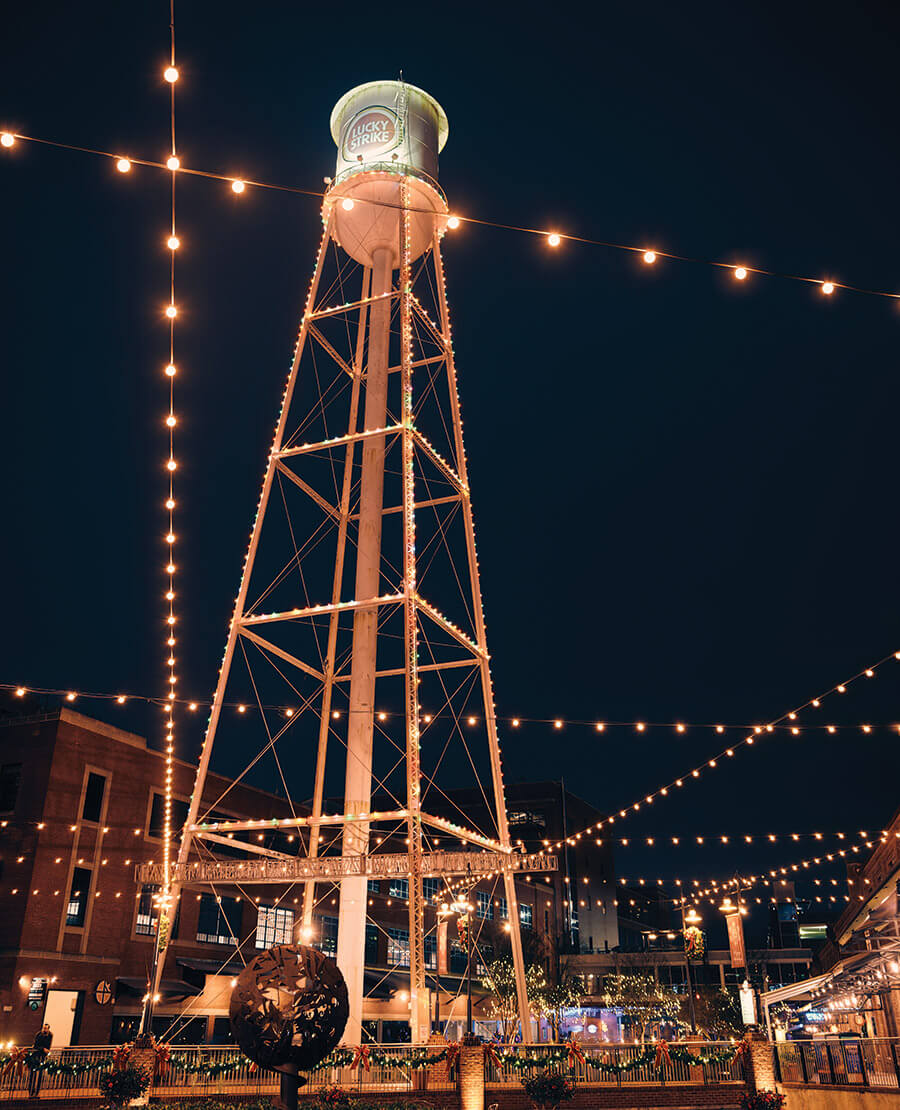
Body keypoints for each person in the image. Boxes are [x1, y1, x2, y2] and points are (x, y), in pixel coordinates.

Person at [28, 1024, 52, 1098]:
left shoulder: (50, 1035)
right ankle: (31, 1092)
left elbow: (48, 1045)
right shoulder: (38, 1035)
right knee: (33, 1074)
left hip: (42, 1057)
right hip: (36, 1056)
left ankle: (37, 1092)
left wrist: (46, 1051)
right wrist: (43, 1049)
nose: (45, 1030)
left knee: (40, 1075)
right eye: (44, 1028)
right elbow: (35, 1045)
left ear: (48, 1029)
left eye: (46, 1028)